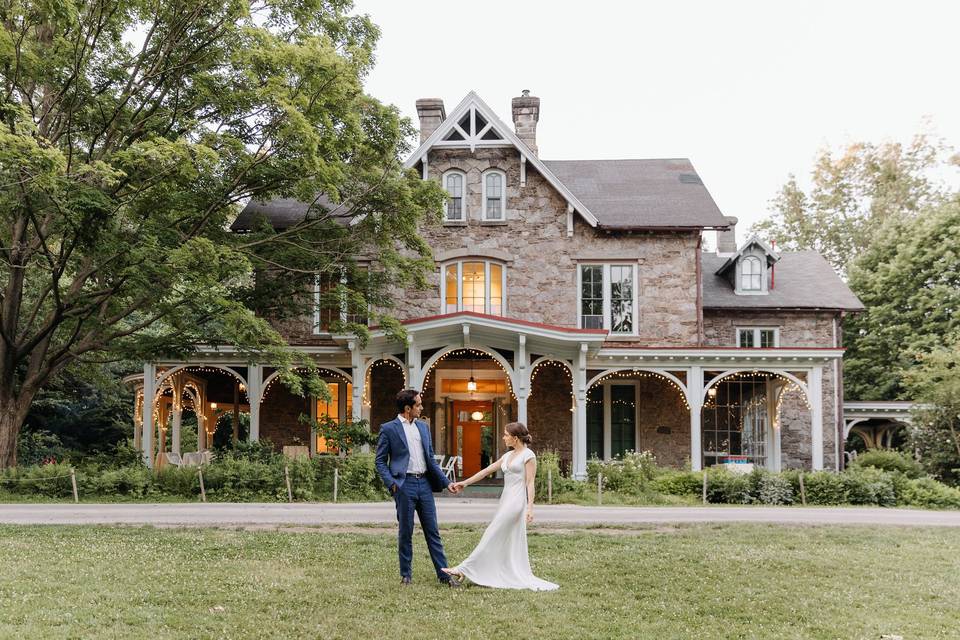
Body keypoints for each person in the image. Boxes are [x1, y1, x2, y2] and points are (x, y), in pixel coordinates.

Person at [442, 421, 558, 591]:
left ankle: (462, 569)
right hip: (505, 500)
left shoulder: (529, 455)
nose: (503, 437)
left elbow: (530, 483)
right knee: (502, 538)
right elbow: (486, 471)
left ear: (515, 438)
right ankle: (495, 570)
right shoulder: (507, 456)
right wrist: (464, 483)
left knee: (492, 533)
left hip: (517, 502)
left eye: (505, 434)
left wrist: (530, 508)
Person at [375, 388, 462, 587]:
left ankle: (444, 575)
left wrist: (447, 482)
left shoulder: (423, 428)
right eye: (418, 404)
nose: (421, 407)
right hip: (403, 485)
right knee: (405, 531)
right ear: (408, 408)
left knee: (433, 531)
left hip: (424, 484)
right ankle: (406, 575)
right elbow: (380, 461)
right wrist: (392, 484)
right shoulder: (389, 429)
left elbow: (430, 459)